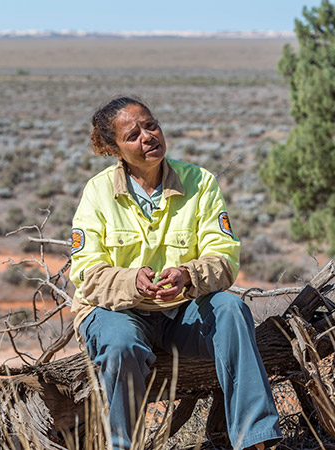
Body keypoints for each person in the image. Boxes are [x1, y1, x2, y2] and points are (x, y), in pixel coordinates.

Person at [70, 96, 282, 450]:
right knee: (121, 343)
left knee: (231, 310)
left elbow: (225, 258)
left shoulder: (200, 181)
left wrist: (188, 274)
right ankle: (124, 445)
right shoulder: (98, 192)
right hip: (115, 312)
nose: (148, 137)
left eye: (150, 125)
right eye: (133, 134)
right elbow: (87, 273)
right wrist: (131, 282)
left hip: (182, 312)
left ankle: (255, 440)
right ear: (114, 149)